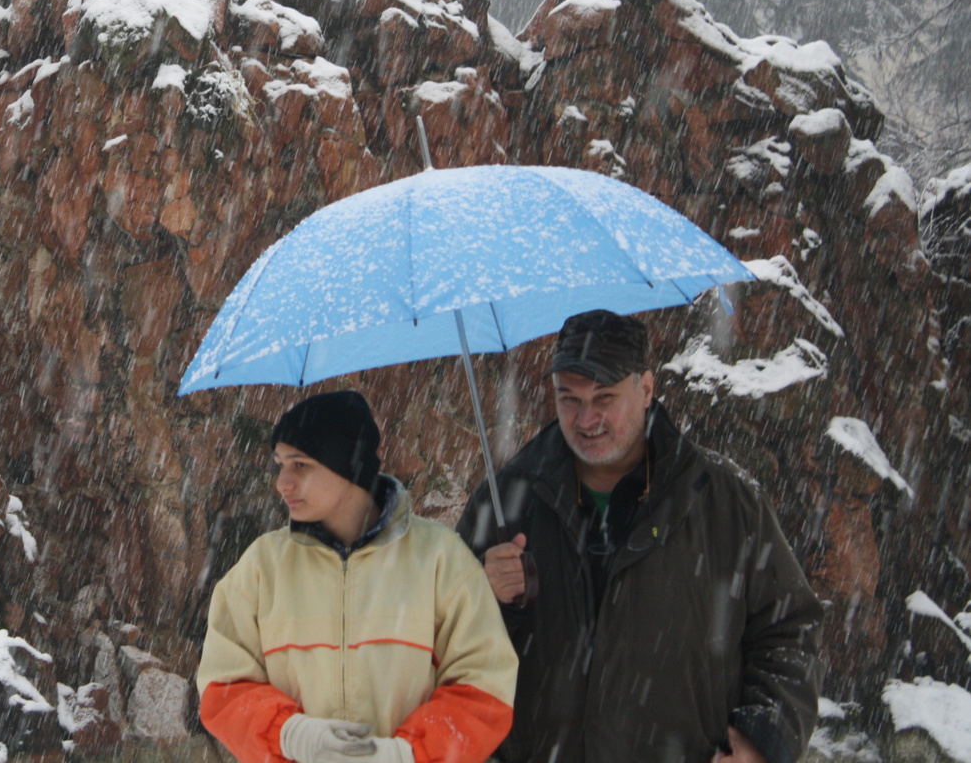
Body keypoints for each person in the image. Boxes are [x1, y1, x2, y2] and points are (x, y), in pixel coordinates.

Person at [457, 310, 823, 763]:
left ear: (647, 388)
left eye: (605, 397)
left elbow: (790, 630)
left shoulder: (724, 500)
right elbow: (445, 649)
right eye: (568, 398)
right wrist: (479, 594)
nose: (586, 418)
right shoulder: (504, 502)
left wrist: (762, 739)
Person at [198, 390, 518, 763]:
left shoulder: (442, 561)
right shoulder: (260, 568)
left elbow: (484, 689)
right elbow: (222, 688)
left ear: (347, 467)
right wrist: (290, 734)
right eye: (280, 464)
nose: (282, 482)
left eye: (300, 465)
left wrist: (408, 755)